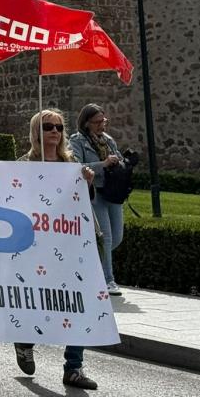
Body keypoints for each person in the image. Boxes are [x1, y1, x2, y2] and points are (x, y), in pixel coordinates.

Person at [14, 109, 100, 390]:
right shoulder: (24, 164)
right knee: (39, 298)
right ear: (36, 131)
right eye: (48, 126)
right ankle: (25, 339)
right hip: (35, 247)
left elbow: (82, 203)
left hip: (68, 245)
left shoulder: (70, 163)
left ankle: (73, 367)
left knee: (78, 301)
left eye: (59, 127)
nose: (55, 131)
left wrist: (86, 182)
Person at [70, 104, 126, 297]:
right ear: (86, 123)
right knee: (106, 237)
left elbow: (118, 159)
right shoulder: (77, 140)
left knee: (117, 237)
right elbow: (77, 166)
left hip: (113, 192)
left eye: (104, 121)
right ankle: (108, 279)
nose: (102, 125)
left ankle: (89, 262)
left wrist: (123, 162)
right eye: (97, 122)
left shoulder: (108, 140)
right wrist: (103, 164)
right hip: (96, 192)